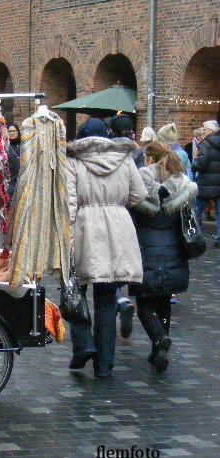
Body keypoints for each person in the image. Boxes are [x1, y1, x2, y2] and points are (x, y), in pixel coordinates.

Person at [66, 117, 146, 378]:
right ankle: (105, 365)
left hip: (85, 227)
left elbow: (68, 201)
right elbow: (139, 196)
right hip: (118, 227)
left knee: (74, 291)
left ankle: (84, 345)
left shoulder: (74, 161)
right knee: (107, 300)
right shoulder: (124, 159)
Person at [130, 142, 198, 372]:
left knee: (144, 304)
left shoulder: (141, 184)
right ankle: (158, 347)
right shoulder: (182, 184)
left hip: (146, 249)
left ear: (149, 159)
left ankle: (159, 339)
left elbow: (132, 212)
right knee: (163, 302)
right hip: (174, 250)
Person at [108, 114, 141, 336]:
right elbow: (139, 193)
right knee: (124, 258)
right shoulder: (138, 154)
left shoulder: (106, 153)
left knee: (108, 261)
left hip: (106, 213)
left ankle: (119, 297)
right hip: (129, 216)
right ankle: (126, 295)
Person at [192, 124, 220, 246]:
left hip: (206, 183)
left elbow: (201, 163)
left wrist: (194, 163)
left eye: (204, 128)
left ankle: (194, 237)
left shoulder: (205, 144)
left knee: (196, 211)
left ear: (209, 130)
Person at [5, 123, 21, 201]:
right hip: (9, 182)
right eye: (10, 131)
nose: (12, 133)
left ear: (18, 132)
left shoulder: (23, 146)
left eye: (14, 131)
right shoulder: (4, 146)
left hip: (21, 181)